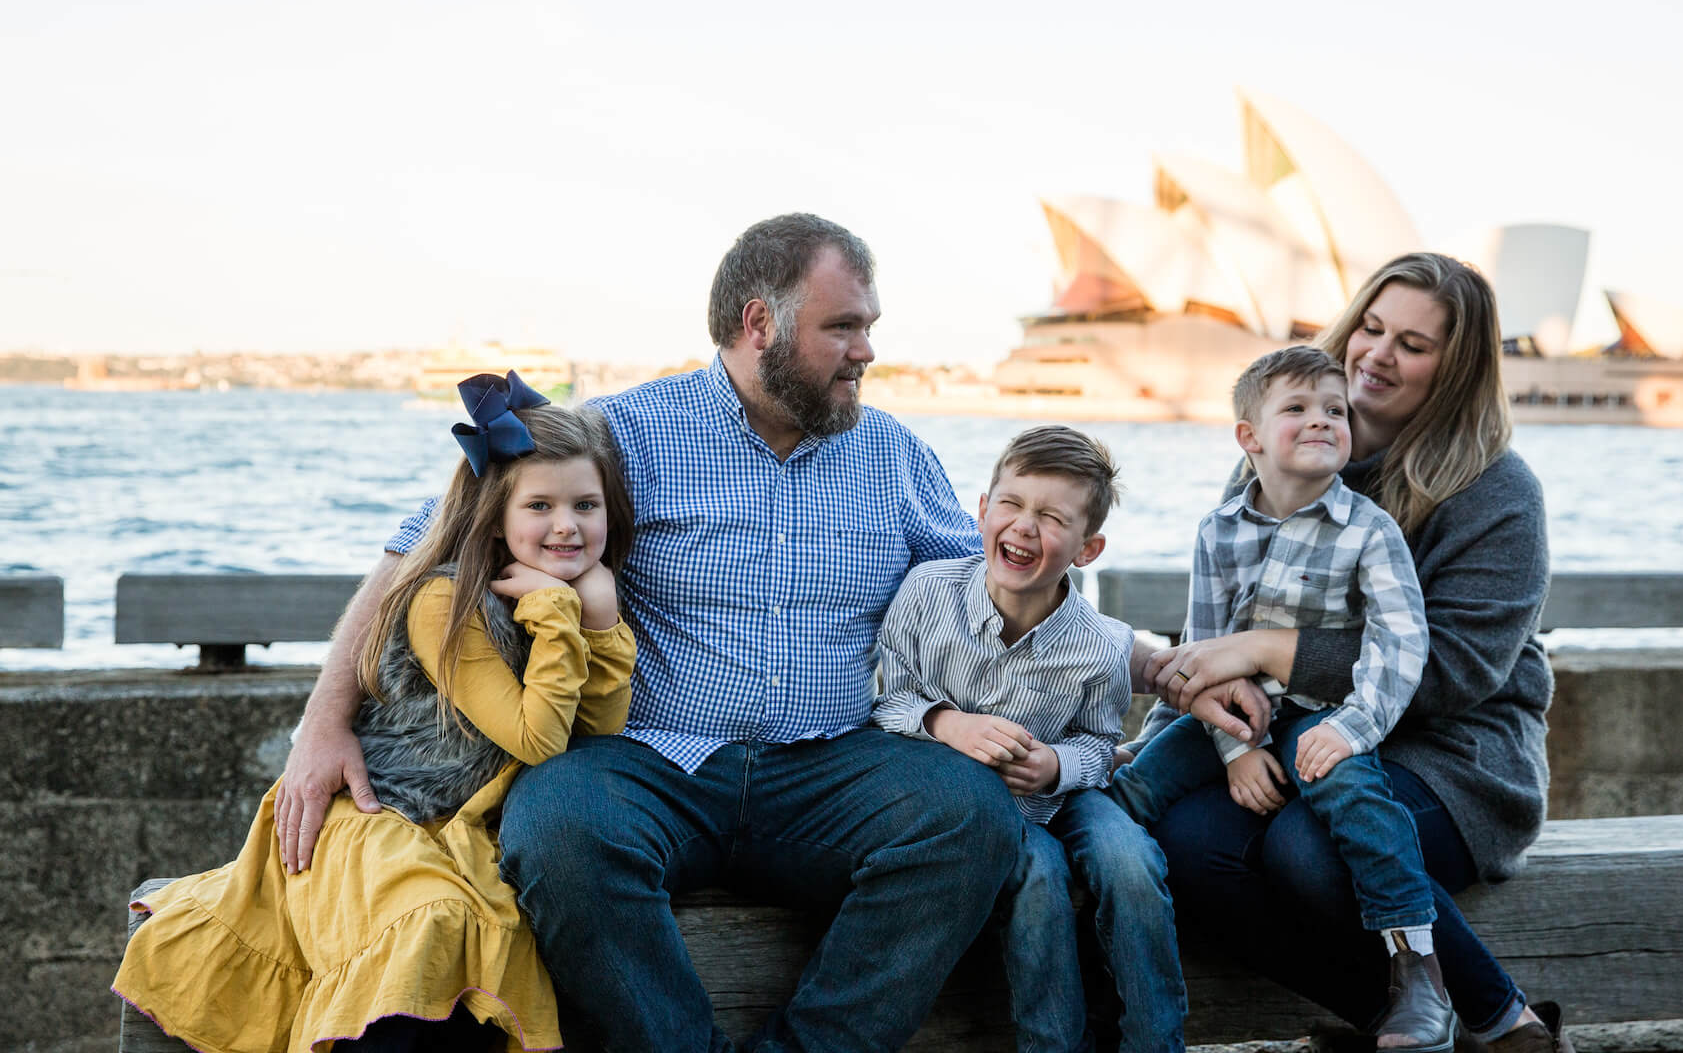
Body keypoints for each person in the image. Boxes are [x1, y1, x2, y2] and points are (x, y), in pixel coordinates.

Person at [273, 214, 1268, 1053]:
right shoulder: (625, 431)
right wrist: (326, 725)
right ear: (761, 324)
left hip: (838, 765)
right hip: (652, 760)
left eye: (869, 327)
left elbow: (1019, 580)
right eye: (846, 327)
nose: (867, 351)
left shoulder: (889, 454)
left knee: (967, 815)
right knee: (557, 829)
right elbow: (423, 548)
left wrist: (1169, 673)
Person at [113, 375, 638, 1052]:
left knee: (497, 932)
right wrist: (563, 612)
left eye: (585, 505)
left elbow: (594, 738)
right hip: (380, 813)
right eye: (540, 504)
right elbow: (540, 740)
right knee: (431, 923)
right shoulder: (446, 603)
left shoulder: (556, 599)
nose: (566, 525)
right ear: (496, 515)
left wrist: (600, 618)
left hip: (463, 826)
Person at [1130, 253, 1571, 1053]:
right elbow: (1214, 623)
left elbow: (1455, 670)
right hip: (1287, 730)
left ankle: (1512, 1030)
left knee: (1312, 846)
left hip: (1451, 751)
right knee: (1188, 846)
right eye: (1370, 327)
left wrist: (1269, 647)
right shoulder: (1283, 447)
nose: (1377, 354)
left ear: (1455, 369)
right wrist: (1207, 720)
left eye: (1413, 344)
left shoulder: (1498, 491)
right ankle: (1392, 1024)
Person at [1106, 345, 1454, 1050]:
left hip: (1325, 714)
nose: (1321, 420)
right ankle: (1087, 904)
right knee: (1137, 786)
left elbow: (1401, 644)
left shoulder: (1369, 531)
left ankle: (1418, 971)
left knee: (1355, 795)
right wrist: (1236, 751)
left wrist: (1354, 730)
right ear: (1250, 437)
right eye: (1296, 408)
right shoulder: (1219, 529)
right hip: (1234, 717)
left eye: (1334, 409)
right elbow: (1204, 652)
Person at [873, 425, 1185, 1053]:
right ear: (982, 510)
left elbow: (1101, 747)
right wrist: (944, 722)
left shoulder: (1101, 644)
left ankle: (1155, 1040)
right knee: (1038, 876)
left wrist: (1055, 766)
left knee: (1129, 859)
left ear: (1087, 548)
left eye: (1050, 517)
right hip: (970, 805)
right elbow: (883, 703)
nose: (1022, 526)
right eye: (1011, 505)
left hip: (1058, 793)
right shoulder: (927, 591)